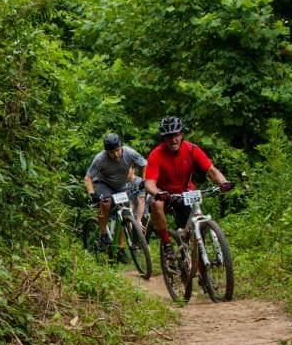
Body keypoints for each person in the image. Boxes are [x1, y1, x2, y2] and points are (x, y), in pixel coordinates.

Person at [143, 116, 233, 270]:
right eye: (168, 136)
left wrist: (223, 183)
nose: (173, 140)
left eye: (176, 134)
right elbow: (149, 183)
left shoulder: (192, 149)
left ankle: (200, 269)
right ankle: (166, 244)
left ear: (181, 134)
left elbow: (211, 170)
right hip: (164, 193)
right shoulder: (156, 155)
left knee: (195, 229)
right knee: (156, 204)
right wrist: (158, 193)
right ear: (163, 138)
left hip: (185, 192)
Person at [83, 133, 148, 261]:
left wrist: (144, 181)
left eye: (118, 150)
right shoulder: (100, 159)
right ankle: (103, 235)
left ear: (121, 147)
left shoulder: (130, 153)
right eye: (112, 152)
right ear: (107, 152)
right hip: (103, 184)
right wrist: (92, 193)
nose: (116, 155)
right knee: (106, 203)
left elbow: (145, 164)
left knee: (124, 213)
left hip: (120, 186)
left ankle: (120, 248)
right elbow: (88, 178)